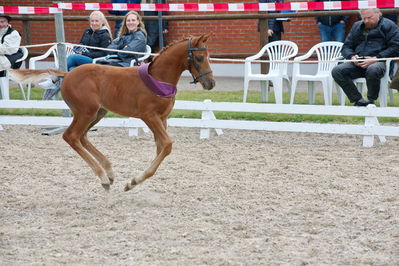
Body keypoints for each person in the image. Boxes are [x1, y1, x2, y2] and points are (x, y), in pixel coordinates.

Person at [332, 8, 399, 106]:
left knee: (373, 69)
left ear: (378, 14)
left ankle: (371, 100)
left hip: (379, 62)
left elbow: (396, 47)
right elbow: (346, 46)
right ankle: (358, 100)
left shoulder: (389, 25)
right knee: (337, 71)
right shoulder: (356, 26)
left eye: (369, 17)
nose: (366, 21)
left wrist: (376, 58)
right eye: (364, 18)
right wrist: (351, 56)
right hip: (358, 63)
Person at [39, 11, 112, 97]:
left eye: (96, 21)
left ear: (102, 22)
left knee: (72, 58)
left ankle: (53, 79)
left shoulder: (105, 35)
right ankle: (73, 96)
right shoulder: (87, 31)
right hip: (83, 59)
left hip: (95, 62)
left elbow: (104, 53)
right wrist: (77, 49)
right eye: (92, 21)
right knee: (71, 69)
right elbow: (81, 44)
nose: (94, 23)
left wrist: (84, 53)